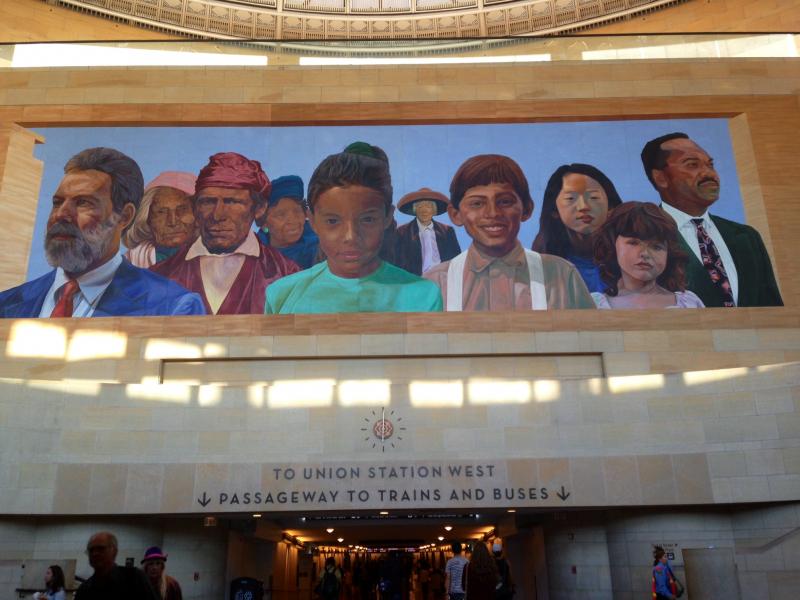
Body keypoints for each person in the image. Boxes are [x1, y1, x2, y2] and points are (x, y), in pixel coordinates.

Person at [0, 147, 205, 318]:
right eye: (57, 202)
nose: (61, 215)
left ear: (124, 216)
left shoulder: (173, 307)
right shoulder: (7, 305)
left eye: (83, 203)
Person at [265, 142, 443, 314]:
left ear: (387, 217)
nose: (350, 236)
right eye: (333, 221)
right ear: (312, 221)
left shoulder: (423, 296)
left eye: (367, 219)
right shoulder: (282, 295)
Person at [424, 154, 595, 311]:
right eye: (477, 203)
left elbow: (591, 341)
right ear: (456, 215)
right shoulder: (437, 282)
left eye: (505, 201)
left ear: (527, 209)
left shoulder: (561, 274)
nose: (492, 213)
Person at [641, 132, 782, 307]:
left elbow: (771, 306)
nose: (709, 173)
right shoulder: (642, 236)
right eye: (692, 164)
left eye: (710, 165)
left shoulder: (746, 236)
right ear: (660, 177)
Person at [152, 152, 299, 314]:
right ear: (195, 208)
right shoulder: (159, 277)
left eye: (232, 202)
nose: (218, 215)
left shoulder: (288, 276)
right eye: (208, 202)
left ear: (259, 208)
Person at [591, 201, 704, 309]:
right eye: (633, 243)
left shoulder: (688, 304)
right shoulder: (595, 305)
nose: (645, 254)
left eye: (656, 247)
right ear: (612, 244)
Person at [531, 163, 622, 293]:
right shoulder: (543, 263)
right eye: (570, 198)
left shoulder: (629, 257)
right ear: (554, 211)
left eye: (594, 197)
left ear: (611, 206)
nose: (583, 206)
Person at [123, 171, 197, 268]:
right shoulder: (131, 262)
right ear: (147, 219)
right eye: (161, 212)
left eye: (182, 209)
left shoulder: (215, 261)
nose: (172, 222)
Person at [255, 174, 320, 269]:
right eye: (281, 215)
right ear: (264, 223)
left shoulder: (320, 249)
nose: (292, 220)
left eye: (297, 211)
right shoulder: (254, 255)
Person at [394, 187, 461, 275]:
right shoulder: (402, 232)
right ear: (415, 210)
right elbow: (397, 263)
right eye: (420, 206)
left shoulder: (447, 231)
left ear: (434, 210)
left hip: (442, 279)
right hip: (415, 281)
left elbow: (456, 260)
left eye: (428, 206)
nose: (424, 210)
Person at [74, 531, 159, 600]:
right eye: (91, 550)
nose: (95, 553)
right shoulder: (84, 590)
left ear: (114, 551)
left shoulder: (134, 578)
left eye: (101, 548)